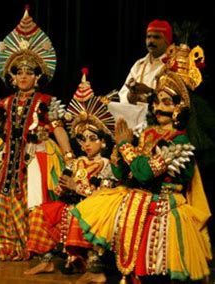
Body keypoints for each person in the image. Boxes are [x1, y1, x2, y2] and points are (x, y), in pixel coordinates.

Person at [72, 43, 211, 283]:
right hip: (140, 202)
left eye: (167, 102)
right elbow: (126, 174)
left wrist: (126, 146)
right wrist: (118, 148)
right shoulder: (148, 135)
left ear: (180, 108)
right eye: (157, 100)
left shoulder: (180, 143)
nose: (158, 107)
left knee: (153, 271)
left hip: (164, 209)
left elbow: (145, 173)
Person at [0, 7, 72, 261]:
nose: (23, 76)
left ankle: (31, 245)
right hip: (6, 157)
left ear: (37, 77)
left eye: (29, 72)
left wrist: (68, 156)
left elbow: (58, 129)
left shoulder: (46, 101)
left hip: (35, 156)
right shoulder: (7, 102)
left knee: (34, 197)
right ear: (12, 78)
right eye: (19, 72)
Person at [23, 69, 117, 282]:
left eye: (92, 139)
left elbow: (104, 196)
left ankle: (93, 266)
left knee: (78, 213)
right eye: (82, 139)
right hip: (71, 202)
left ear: (102, 141)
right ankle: (46, 260)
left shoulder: (106, 165)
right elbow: (63, 185)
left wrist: (77, 188)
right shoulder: (77, 162)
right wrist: (62, 187)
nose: (86, 144)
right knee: (40, 212)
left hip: (94, 208)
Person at [109, 20, 173, 135]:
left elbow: (173, 99)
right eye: (148, 37)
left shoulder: (173, 65)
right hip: (134, 119)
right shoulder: (139, 64)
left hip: (159, 121)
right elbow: (123, 93)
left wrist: (148, 92)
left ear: (167, 41)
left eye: (156, 37)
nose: (151, 41)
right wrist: (131, 95)